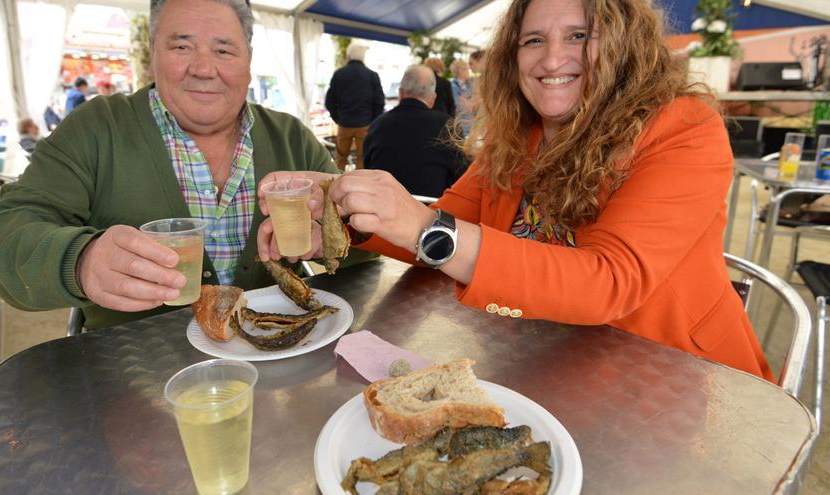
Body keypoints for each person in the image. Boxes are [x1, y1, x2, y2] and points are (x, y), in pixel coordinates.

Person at [257, 0, 774, 380]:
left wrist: (423, 226)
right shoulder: (519, 138)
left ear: (623, 42)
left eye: (578, 36)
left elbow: (611, 281)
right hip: (550, 364)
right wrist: (344, 218)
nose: (551, 60)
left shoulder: (684, 129)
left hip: (680, 381)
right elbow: (442, 228)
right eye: (533, 40)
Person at [0, 0, 343, 329]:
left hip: (277, 360)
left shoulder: (291, 137)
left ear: (248, 62)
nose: (203, 68)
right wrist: (79, 260)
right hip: (132, 379)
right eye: (181, 46)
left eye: (224, 51)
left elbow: (365, 247)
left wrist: (336, 229)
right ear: (152, 54)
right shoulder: (97, 128)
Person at [363, 65, 468, 198]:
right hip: (431, 211)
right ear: (432, 99)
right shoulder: (447, 125)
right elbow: (461, 174)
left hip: (383, 206)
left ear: (400, 93)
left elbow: (368, 167)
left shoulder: (378, 124)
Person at [325, 43, 384, 172]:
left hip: (344, 123)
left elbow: (329, 101)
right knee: (362, 159)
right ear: (363, 58)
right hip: (365, 124)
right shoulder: (372, 75)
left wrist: (338, 118)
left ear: (348, 56)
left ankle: (336, 185)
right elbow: (379, 102)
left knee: (340, 159)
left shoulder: (339, 74)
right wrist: (372, 121)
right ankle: (360, 189)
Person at [449, 59, 474, 136]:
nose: (469, 71)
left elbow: (477, 103)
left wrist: (466, 101)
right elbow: (458, 106)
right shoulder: (452, 85)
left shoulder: (471, 84)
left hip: (472, 125)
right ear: (460, 70)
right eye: (466, 69)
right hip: (460, 125)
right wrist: (470, 103)